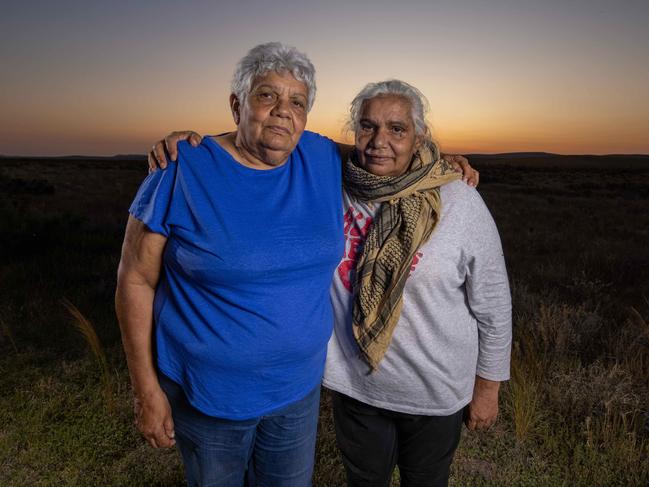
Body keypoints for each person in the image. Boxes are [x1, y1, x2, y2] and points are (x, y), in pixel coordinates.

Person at [118, 43, 476, 487]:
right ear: (237, 104)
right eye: (267, 96)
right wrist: (145, 389)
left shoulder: (320, 157)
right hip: (211, 395)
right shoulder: (180, 169)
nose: (283, 111)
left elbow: (383, 153)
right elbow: (134, 281)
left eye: (298, 102)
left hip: (296, 393)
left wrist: (438, 162)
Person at [323, 80, 512, 486]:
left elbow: (494, 306)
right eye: (368, 126)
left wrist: (488, 389)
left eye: (397, 129)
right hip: (357, 389)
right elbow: (265, 145)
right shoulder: (332, 187)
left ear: (419, 137)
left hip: (433, 392)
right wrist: (196, 143)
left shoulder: (459, 199)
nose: (379, 141)